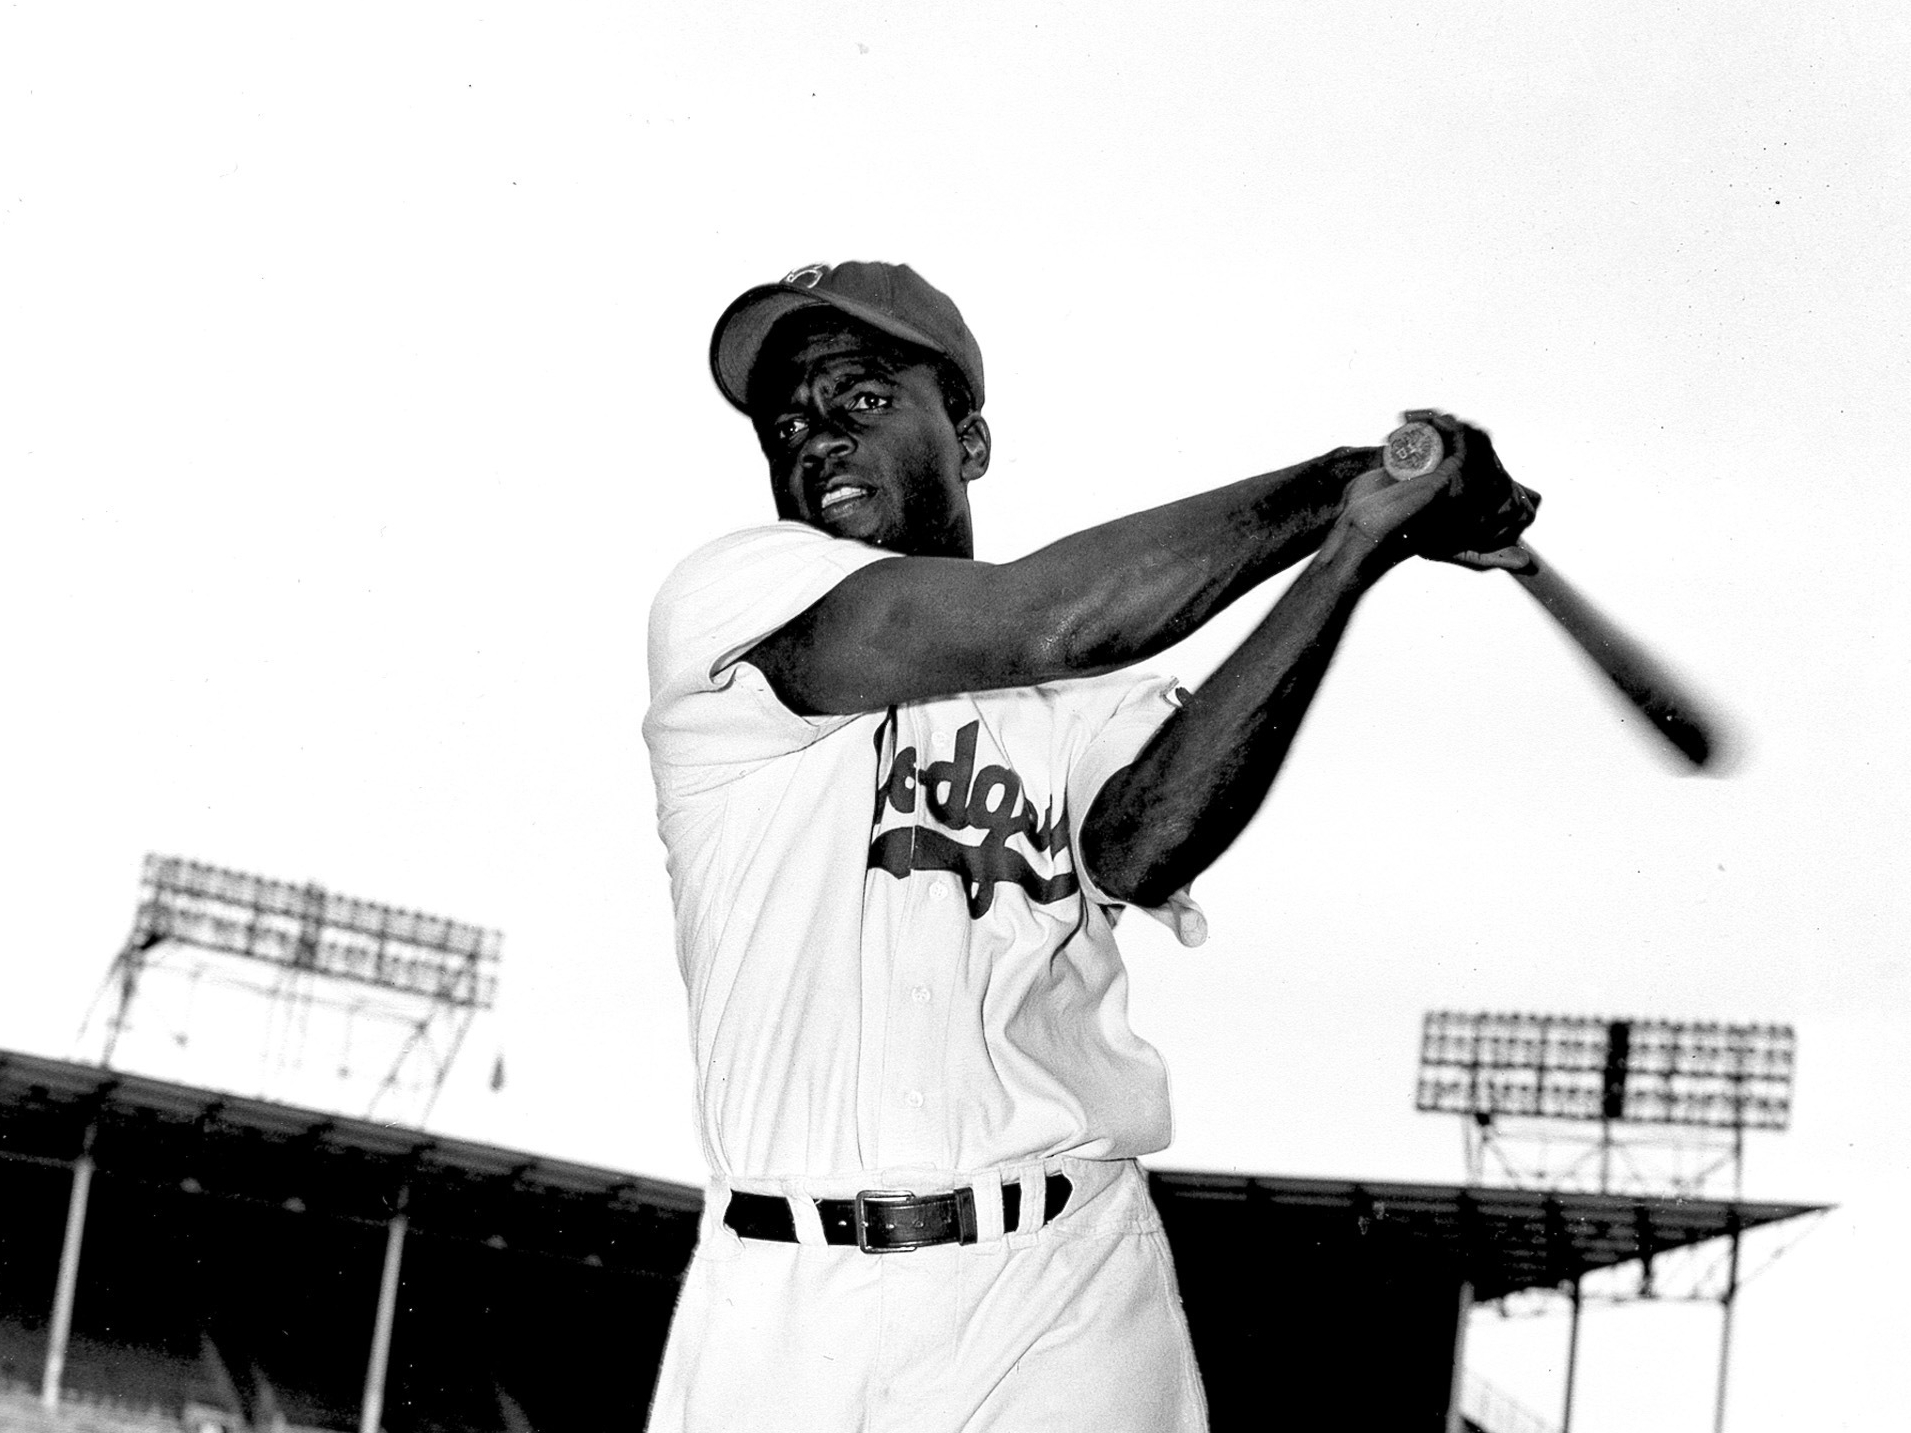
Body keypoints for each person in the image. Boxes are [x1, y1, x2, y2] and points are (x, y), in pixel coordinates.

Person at [640, 260, 1537, 1432]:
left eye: (860, 399)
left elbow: (1143, 847)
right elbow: (1054, 613)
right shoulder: (738, 600)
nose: (814, 439)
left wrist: (1353, 551)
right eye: (787, 422)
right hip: (782, 1298)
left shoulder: (1089, 693)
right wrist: (1340, 482)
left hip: (1056, 1286)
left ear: (968, 436)